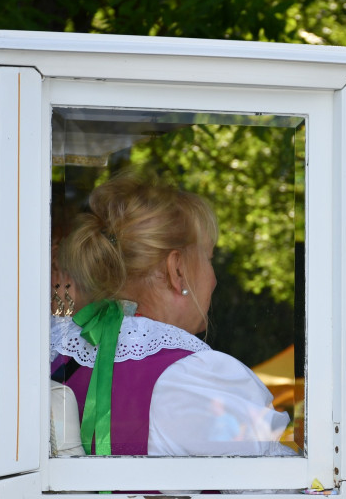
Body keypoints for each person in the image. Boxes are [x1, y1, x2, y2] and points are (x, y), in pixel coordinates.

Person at [50, 172, 292, 457]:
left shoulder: (60, 352)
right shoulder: (191, 381)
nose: (214, 278)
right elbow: (273, 492)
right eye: (209, 258)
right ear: (177, 270)